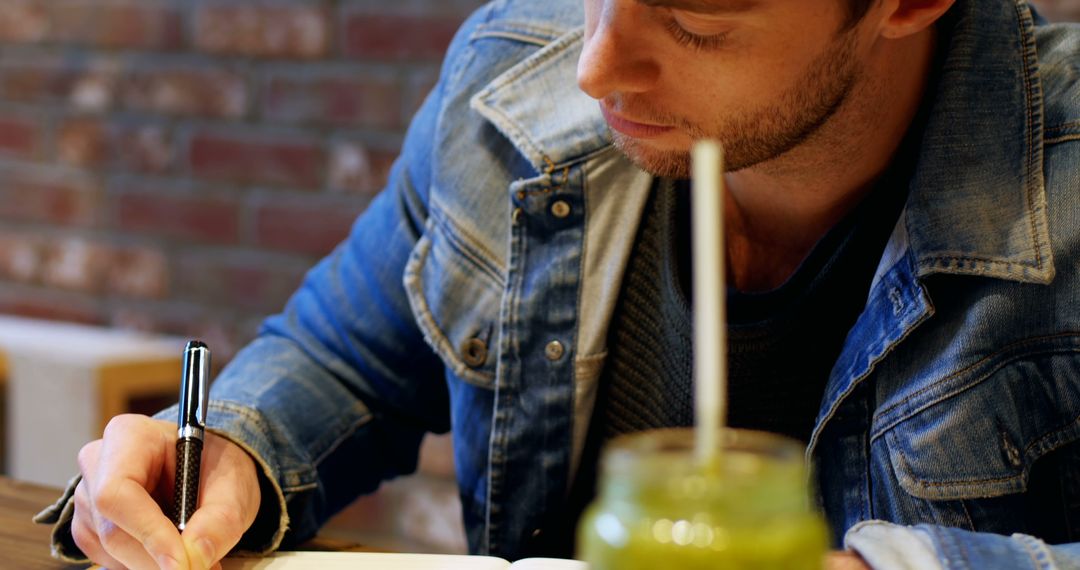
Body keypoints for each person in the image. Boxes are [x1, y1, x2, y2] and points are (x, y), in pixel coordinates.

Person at [34, 0, 1080, 568]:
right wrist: (230, 450)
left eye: (696, 17)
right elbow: (340, 360)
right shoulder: (511, 89)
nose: (597, 65)